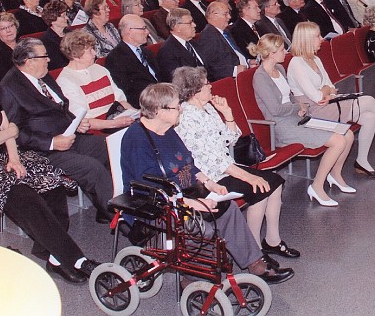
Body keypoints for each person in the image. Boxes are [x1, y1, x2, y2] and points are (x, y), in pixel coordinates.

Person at [0, 44, 99, 285]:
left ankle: (53, 254)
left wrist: (14, 158)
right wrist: (9, 134)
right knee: (24, 197)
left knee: (52, 183)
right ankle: (76, 260)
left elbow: (7, 126)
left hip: (5, 157)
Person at [120, 83, 294, 284]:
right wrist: (191, 203)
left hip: (183, 193)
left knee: (227, 208)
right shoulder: (137, 139)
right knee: (201, 229)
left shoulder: (168, 130)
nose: (181, 110)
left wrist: (209, 183)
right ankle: (193, 280)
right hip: (156, 206)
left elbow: (189, 164)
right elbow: (151, 188)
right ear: (160, 111)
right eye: (176, 107)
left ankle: (255, 263)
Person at [173, 66, 299, 259]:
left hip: (225, 167)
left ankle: (272, 241)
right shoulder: (187, 118)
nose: (211, 86)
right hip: (209, 177)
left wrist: (228, 113)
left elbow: (230, 140)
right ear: (194, 92)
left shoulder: (207, 108)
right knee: (259, 188)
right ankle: (255, 249)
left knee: (275, 182)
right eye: (206, 84)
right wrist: (248, 177)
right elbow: (213, 161)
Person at [287, 22, 375, 191]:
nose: (321, 39)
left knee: (370, 117)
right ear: (306, 39)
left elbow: (332, 87)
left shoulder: (316, 59)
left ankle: (362, 161)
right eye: (317, 36)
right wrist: (325, 91)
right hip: (313, 112)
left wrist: (326, 91)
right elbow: (316, 97)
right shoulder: (296, 63)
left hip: (327, 104)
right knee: (368, 101)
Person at [0, 38, 114, 224]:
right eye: (44, 56)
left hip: (69, 136)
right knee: (92, 168)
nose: (49, 59)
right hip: (43, 151)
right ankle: (122, 220)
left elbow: (61, 106)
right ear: (29, 61)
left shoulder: (42, 75)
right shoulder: (8, 88)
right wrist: (52, 142)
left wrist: (75, 122)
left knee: (112, 147)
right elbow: (15, 133)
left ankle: (106, 204)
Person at [252, 34, 359, 206]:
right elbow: (276, 110)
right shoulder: (260, 77)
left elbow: (290, 97)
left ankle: (335, 175)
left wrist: (301, 107)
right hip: (281, 126)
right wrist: (298, 107)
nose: (285, 53)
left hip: (296, 118)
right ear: (271, 54)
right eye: (281, 50)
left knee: (347, 134)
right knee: (339, 141)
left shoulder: (279, 69)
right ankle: (317, 186)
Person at [56, 31, 135, 133]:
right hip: (98, 129)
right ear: (75, 56)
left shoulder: (99, 69)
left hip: (117, 118)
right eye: (90, 51)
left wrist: (135, 114)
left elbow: (120, 100)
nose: (95, 53)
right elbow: (83, 120)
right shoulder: (66, 81)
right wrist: (115, 123)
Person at [105, 14, 161, 108]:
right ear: (129, 31)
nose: (147, 32)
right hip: (145, 104)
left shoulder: (147, 52)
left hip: (161, 97)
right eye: (143, 28)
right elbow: (126, 92)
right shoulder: (116, 58)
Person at [195, 2, 251, 82]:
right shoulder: (208, 36)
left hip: (244, 71)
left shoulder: (225, 31)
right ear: (215, 15)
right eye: (225, 14)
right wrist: (234, 70)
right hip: (231, 79)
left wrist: (248, 61)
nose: (229, 17)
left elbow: (236, 52)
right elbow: (210, 67)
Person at [156, 8, 205, 81]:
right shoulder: (167, 52)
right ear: (177, 28)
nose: (194, 25)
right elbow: (178, 81)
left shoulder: (192, 42)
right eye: (190, 23)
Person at [40, 0, 70, 70]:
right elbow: (59, 64)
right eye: (63, 16)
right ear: (53, 20)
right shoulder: (46, 42)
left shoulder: (71, 33)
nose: (67, 18)